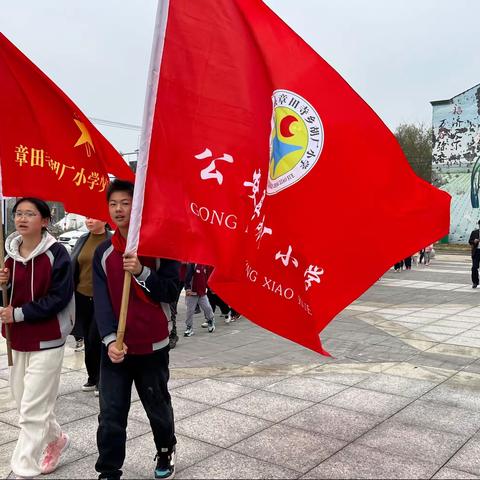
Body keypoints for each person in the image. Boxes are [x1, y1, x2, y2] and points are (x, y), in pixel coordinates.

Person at [93, 179, 179, 480]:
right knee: (111, 414)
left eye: (125, 203)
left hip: (152, 346)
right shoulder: (104, 253)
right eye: (113, 204)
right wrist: (109, 341)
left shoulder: (161, 248)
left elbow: (170, 291)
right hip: (116, 349)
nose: (118, 209)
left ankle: (166, 449)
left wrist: (142, 271)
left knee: (157, 406)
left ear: (139, 205)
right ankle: (108, 468)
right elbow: (101, 304)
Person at [0, 197, 75, 477]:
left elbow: (59, 298)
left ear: (45, 221)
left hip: (48, 338)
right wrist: (2, 286)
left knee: (32, 408)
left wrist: (17, 314)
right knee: (23, 402)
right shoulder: (8, 256)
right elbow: (7, 301)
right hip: (17, 338)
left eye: (30, 214)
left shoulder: (57, 254)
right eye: (18, 213)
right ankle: (56, 439)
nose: (22, 218)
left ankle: (23, 465)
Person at [71, 218, 111, 395]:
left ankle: (102, 379)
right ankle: (92, 377)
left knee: (97, 338)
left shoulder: (111, 241)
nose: (89, 220)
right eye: (86, 217)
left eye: (93, 216)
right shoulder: (82, 239)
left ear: (104, 219)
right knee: (87, 338)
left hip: (102, 298)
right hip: (81, 296)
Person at [183, 263, 215, 336]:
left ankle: (210, 320)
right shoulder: (191, 265)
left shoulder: (205, 265)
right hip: (192, 293)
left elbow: (207, 277)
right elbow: (187, 277)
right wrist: (187, 288)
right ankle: (189, 327)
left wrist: (210, 287)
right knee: (190, 311)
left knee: (208, 308)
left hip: (202, 293)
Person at [469, 220, 480, 288]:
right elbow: (470, 241)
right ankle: (475, 282)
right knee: (474, 268)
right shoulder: (474, 232)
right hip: (476, 252)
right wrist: (474, 241)